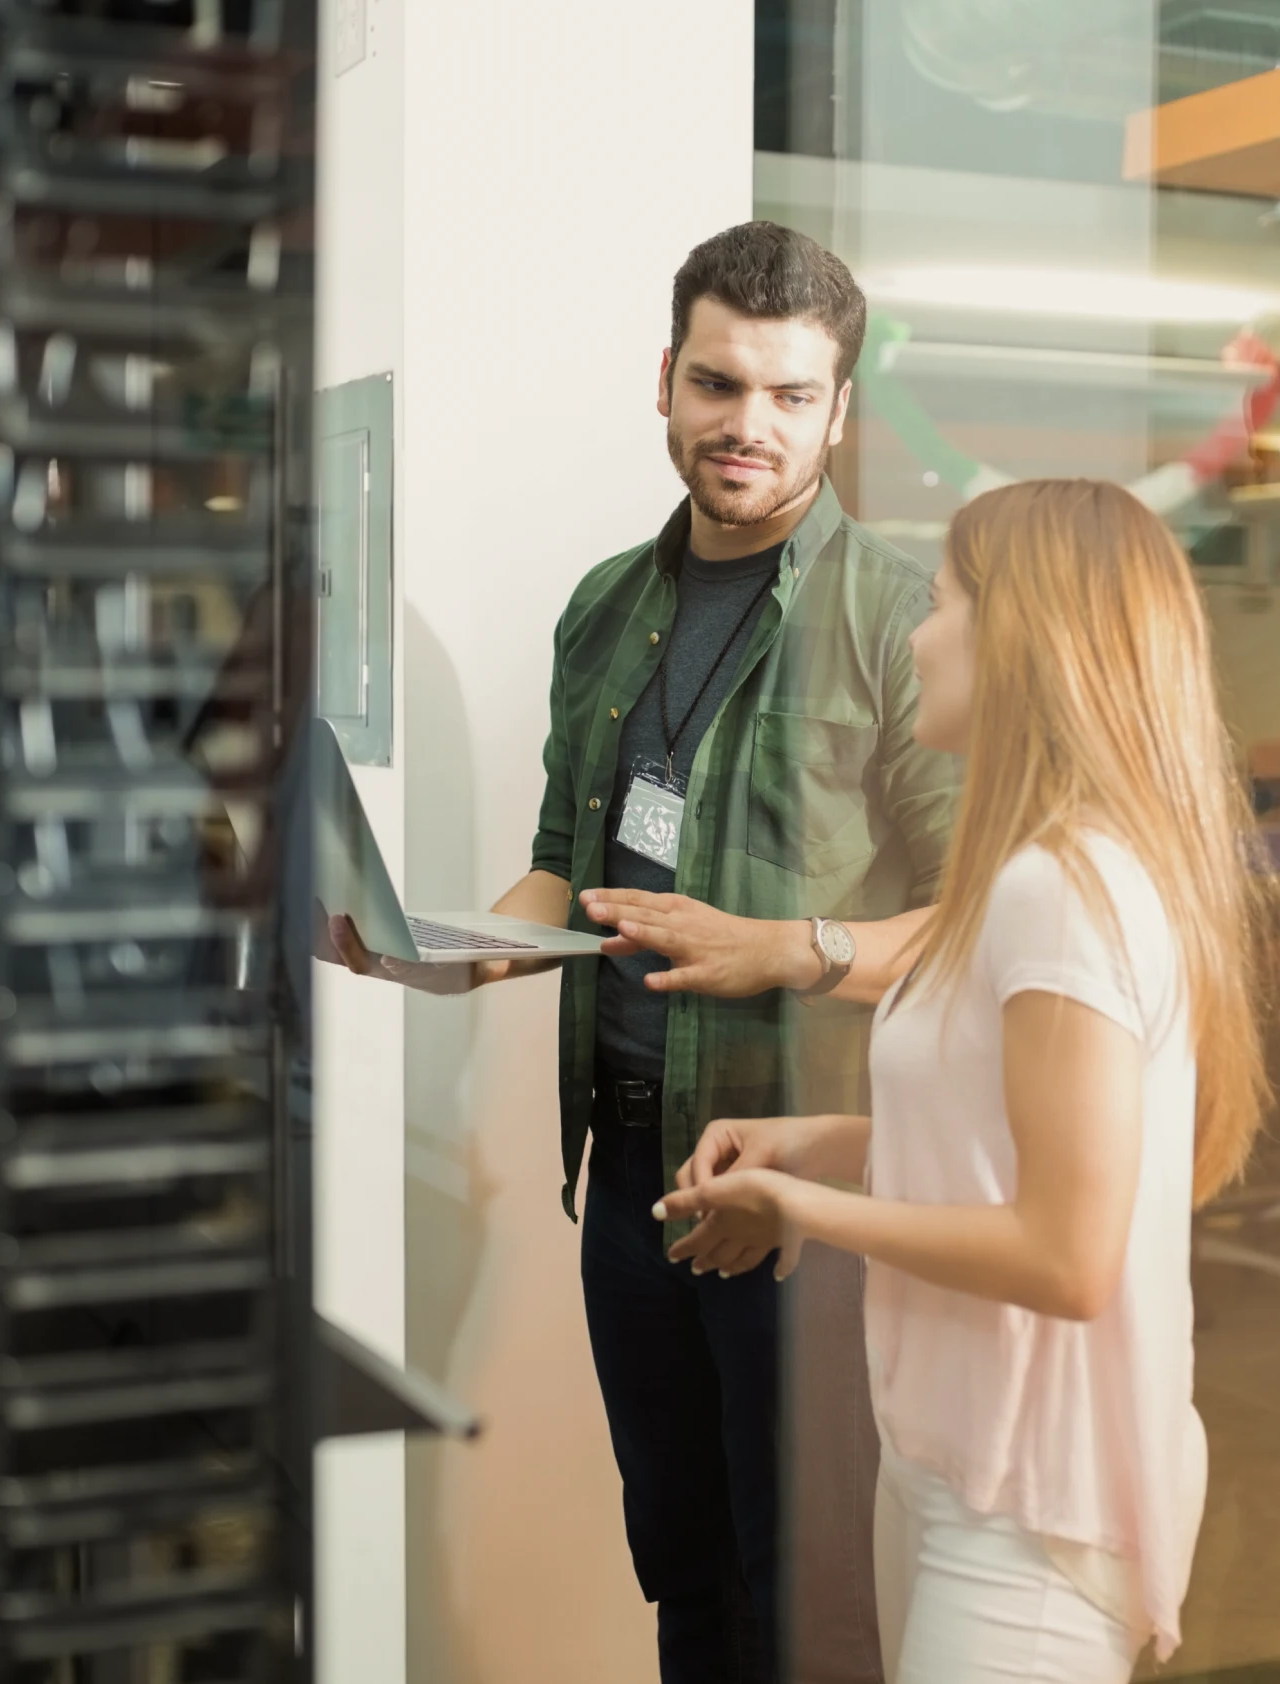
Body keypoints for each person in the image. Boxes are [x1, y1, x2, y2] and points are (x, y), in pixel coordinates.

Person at [327, 221, 959, 1682]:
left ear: (839, 412)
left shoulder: (901, 623)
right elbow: (568, 862)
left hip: (796, 1193)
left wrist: (793, 950)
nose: (749, 426)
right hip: (628, 1176)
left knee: (809, 1598)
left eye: (791, 397)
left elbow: (974, 921)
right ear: (665, 381)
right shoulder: (605, 606)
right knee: (680, 1566)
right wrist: (452, 950)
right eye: (721, 384)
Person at [595, 478, 1280, 1682]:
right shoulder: (1026, 872)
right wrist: (813, 1143)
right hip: (953, 1458)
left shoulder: (1063, 890)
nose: (918, 636)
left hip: (1029, 1504)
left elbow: (1067, 1257)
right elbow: (995, 1132)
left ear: (1024, 639)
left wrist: (798, 1212)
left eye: (950, 603)